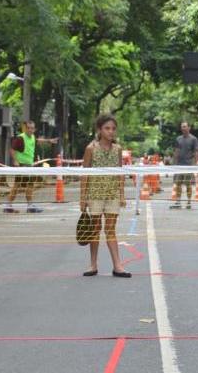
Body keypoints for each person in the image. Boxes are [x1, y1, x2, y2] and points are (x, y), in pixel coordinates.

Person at [80, 114, 130, 278]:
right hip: (95, 195)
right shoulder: (91, 148)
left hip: (112, 194)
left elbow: (121, 173)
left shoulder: (118, 149)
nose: (111, 132)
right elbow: (85, 174)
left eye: (113, 129)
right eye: (107, 128)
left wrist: (122, 194)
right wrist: (83, 197)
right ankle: (93, 265)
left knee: (110, 229)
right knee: (95, 230)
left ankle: (118, 266)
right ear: (99, 130)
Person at [4, 121, 58, 214]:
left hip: (29, 166)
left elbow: (37, 140)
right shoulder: (21, 138)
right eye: (28, 128)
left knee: (20, 186)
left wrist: (49, 141)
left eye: (32, 128)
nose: (30, 130)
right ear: (25, 128)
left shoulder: (32, 137)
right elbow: (12, 149)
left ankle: (10, 205)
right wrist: (15, 160)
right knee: (26, 186)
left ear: (34, 129)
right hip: (22, 165)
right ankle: (29, 206)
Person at [170, 121, 198, 210]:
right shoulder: (178, 139)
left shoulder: (193, 139)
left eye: (185, 126)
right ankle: (178, 201)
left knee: (188, 184)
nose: (184, 128)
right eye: (182, 127)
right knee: (178, 184)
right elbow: (176, 151)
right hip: (179, 165)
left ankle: (189, 201)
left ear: (189, 128)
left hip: (189, 165)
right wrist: (174, 164)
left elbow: (196, 152)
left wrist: (195, 164)